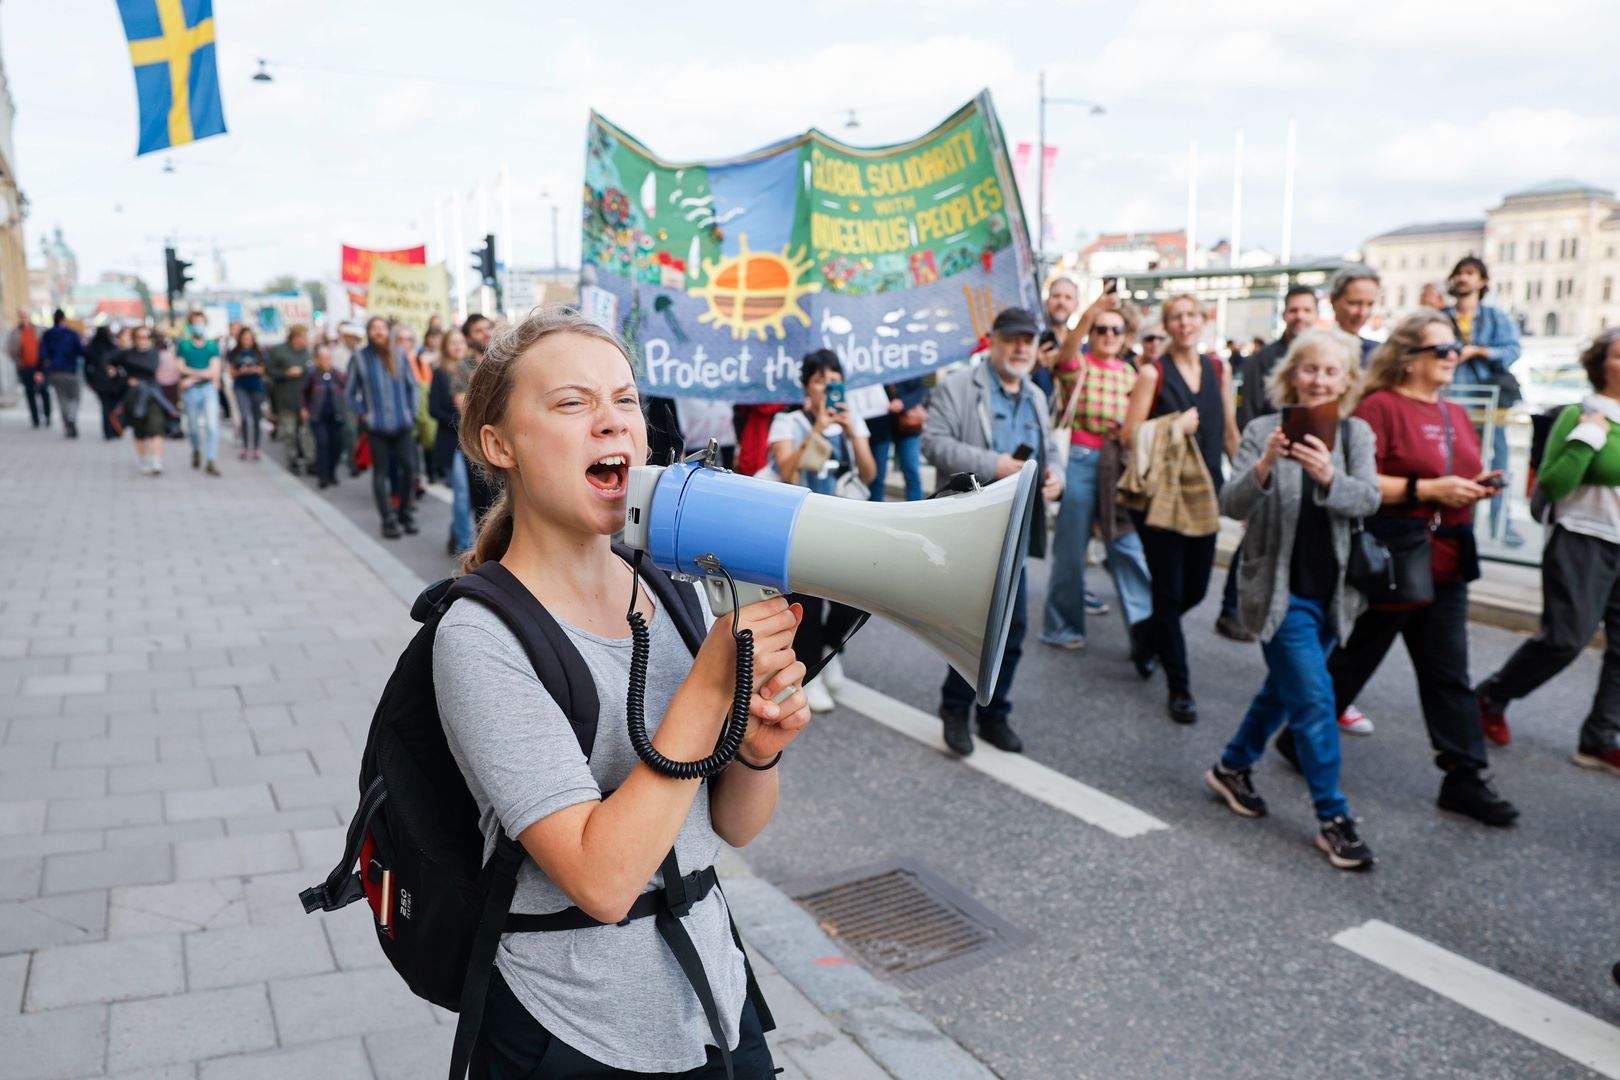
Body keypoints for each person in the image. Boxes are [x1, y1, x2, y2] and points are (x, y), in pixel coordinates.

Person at [435, 308, 805, 1078]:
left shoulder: (670, 591)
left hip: (712, 1000)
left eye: (627, 400)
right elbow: (602, 883)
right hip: (575, 1029)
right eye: (573, 404)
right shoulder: (478, 638)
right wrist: (707, 690)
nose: (613, 422)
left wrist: (757, 755)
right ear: (498, 444)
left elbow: (730, 827)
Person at [1288, 310, 1519, 826]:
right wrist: (1429, 490)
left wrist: (1477, 484)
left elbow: (1453, 471)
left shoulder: (1454, 413)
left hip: (1448, 555)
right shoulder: (1379, 408)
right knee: (1354, 657)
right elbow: (1357, 482)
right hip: (1394, 553)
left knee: (1448, 672)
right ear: (1410, 358)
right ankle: (1299, 734)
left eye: (1455, 349)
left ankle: (1465, 775)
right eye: (1442, 350)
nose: (1453, 357)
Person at [1206, 328, 1382, 870]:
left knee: (1282, 693)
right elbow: (1231, 504)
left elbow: (1370, 500)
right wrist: (1263, 466)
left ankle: (1232, 767)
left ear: (1346, 380)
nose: (1319, 380)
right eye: (1310, 369)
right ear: (1292, 373)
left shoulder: (1354, 435)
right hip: (1278, 595)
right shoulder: (1263, 429)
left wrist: (1330, 477)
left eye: (1331, 371)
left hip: (1334, 595)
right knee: (1313, 702)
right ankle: (1333, 817)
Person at [1475, 330, 1620, 775]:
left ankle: (1599, 738)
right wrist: (1586, 439)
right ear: (1601, 364)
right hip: (1583, 536)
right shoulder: (1583, 413)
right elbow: (1554, 484)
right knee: (1565, 639)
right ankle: (1492, 696)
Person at [920, 307, 1064, 756]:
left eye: (1029, 339)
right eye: (1012, 338)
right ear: (993, 340)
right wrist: (994, 465)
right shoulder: (959, 386)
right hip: (969, 525)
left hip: (1015, 529)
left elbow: (1051, 449)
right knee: (976, 627)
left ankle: (993, 712)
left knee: (1013, 629)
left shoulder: (1038, 396)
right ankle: (956, 707)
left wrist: (1056, 476)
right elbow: (933, 443)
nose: (1021, 347)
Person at [1122, 294, 1240, 724]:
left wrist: (1250, 485)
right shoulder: (1153, 372)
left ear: (1204, 320)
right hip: (1163, 498)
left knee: (1195, 590)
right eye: (1176, 317)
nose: (1184, 323)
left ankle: (1145, 633)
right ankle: (1180, 687)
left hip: (1205, 493)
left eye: (1191, 315)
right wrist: (1175, 425)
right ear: (1167, 326)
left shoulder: (1218, 368)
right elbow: (1128, 435)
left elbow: (1229, 432)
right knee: (1169, 592)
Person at [1040, 304, 1154, 664]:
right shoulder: (1082, 365)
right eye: (1101, 329)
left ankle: (1147, 632)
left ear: (1125, 338)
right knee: (1071, 549)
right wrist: (1089, 314)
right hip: (1082, 459)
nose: (1107, 336)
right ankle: (1062, 626)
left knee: (1126, 547)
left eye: (1115, 330)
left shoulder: (1131, 373)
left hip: (1117, 463)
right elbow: (1066, 357)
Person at [768, 350, 877, 714]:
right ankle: (809, 672)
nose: (828, 389)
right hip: (798, 527)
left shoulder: (852, 421)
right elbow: (788, 472)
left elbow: (870, 473)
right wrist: (816, 429)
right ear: (807, 387)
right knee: (808, 601)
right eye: (820, 381)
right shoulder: (788, 423)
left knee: (858, 594)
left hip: (842, 524)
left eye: (834, 382)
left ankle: (831, 646)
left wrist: (850, 432)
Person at [1218, 285, 1325, 646]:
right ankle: (1235, 606)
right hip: (1269, 461)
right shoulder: (1263, 360)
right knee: (1255, 541)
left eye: (1306, 310)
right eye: (1293, 310)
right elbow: (1247, 414)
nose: (1300, 316)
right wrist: (1251, 470)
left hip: (1312, 464)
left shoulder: (1327, 351)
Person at [1443, 256, 1524, 548]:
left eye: (1470, 273)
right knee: (1457, 460)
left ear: (1482, 282)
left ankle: (1501, 524)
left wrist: (1479, 351)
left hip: (1491, 403)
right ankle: (1461, 523)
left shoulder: (1495, 317)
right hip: (1453, 401)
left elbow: (1513, 349)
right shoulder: (1441, 316)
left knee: (1498, 460)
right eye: (1459, 273)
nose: (1463, 279)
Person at [348, 316, 420, 539]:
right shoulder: (360, 358)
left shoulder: (399, 354)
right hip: (377, 427)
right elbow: (349, 394)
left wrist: (411, 412)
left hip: (402, 424)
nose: (378, 332)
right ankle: (387, 520)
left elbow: (413, 387)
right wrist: (365, 415)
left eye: (382, 328)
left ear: (388, 332)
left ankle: (404, 513)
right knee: (381, 474)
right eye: (374, 328)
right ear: (368, 333)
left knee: (409, 469)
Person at [430, 327, 477, 555]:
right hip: (453, 443)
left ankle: (457, 532)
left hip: (474, 443)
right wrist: (459, 421)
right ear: (446, 347)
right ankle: (464, 547)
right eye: (453, 342)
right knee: (462, 495)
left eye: (461, 341)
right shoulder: (440, 373)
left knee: (470, 497)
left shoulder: (475, 369)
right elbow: (434, 409)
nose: (458, 346)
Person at [117, 325, 175, 475]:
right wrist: (123, 376)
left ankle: (156, 460)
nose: (143, 341)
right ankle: (144, 459)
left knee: (156, 426)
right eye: (140, 337)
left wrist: (129, 364)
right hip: (134, 396)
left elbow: (151, 367)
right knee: (139, 430)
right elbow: (109, 362)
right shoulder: (125, 354)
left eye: (146, 337)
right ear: (134, 339)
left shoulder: (153, 353)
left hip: (153, 394)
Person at [864, 376, 929, 502]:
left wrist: (903, 403)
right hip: (879, 425)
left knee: (912, 471)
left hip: (907, 426)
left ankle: (918, 513)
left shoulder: (907, 365)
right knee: (877, 476)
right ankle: (875, 513)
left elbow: (922, 389)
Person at [176, 313, 222, 474]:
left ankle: (210, 459)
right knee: (193, 427)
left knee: (212, 426)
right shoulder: (185, 346)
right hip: (191, 391)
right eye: (195, 323)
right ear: (190, 325)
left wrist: (192, 377)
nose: (198, 326)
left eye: (201, 322)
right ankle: (196, 449)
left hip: (207, 388)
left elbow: (214, 370)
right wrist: (202, 373)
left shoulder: (211, 346)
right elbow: (180, 367)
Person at [266, 324, 315, 474]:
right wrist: (286, 373)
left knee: (307, 432)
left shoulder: (306, 353)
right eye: (304, 337)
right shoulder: (280, 351)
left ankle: (311, 461)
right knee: (290, 432)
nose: (305, 341)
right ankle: (292, 460)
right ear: (296, 337)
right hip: (286, 398)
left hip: (304, 401)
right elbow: (269, 371)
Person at [300, 344, 348, 489]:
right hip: (318, 415)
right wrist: (304, 408)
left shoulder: (337, 374)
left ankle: (331, 472)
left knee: (337, 445)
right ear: (317, 360)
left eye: (328, 358)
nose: (326, 361)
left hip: (336, 415)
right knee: (322, 444)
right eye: (323, 358)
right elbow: (303, 392)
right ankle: (323, 476)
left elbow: (347, 387)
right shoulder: (312, 374)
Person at [40, 309, 84, 438]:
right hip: (71, 370)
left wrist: (44, 367)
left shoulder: (47, 334)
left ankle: (67, 423)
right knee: (75, 397)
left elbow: (43, 353)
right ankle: (72, 416)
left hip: (55, 371)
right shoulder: (72, 333)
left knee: (62, 398)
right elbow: (81, 350)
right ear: (63, 319)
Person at [227, 326, 269, 460]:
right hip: (241, 386)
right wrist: (241, 371)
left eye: (250, 339)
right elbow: (231, 372)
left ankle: (256, 447)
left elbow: (264, 370)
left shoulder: (259, 352)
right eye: (245, 338)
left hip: (256, 387)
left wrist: (255, 369)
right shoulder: (235, 353)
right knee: (244, 417)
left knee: (257, 418)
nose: (248, 341)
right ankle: (245, 446)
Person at [1328, 266, 1382, 367]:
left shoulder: (1378, 353)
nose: (1362, 313)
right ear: (1333, 300)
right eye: (1354, 303)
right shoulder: (1311, 349)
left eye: (1370, 304)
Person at [7, 308, 46, 428]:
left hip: (40, 365)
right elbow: (11, 351)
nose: (24, 319)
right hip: (26, 368)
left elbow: (45, 347)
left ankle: (47, 414)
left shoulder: (39, 330)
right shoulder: (16, 332)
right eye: (21, 316)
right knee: (30, 393)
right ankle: (35, 419)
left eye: (25, 316)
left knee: (43, 391)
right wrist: (20, 363)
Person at [84, 325, 125, 439]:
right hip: (113, 382)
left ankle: (108, 431)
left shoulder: (91, 348)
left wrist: (88, 380)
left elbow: (87, 367)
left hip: (99, 381)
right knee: (112, 407)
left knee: (105, 407)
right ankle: (115, 429)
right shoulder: (113, 347)